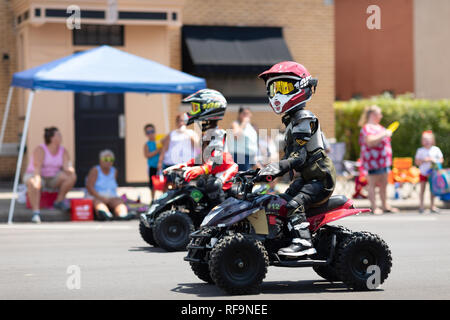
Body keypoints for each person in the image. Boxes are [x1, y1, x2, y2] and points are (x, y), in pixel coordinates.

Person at [257, 61, 336, 257]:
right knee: (277, 202)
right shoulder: (292, 120)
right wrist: (257, 172)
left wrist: (275, 167)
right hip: (306, 179)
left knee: (294, 205)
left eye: (283, 87)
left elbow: (298, 158)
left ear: (302, 87)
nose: (277, 94)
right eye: (274, 88)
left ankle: (303, 242)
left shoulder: (304, 118)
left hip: (320, 178)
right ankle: (280, 236)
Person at [163, 89, 238, 205]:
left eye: (195, 108)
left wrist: (202, 169)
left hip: (224, 172)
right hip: (213, 172)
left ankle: (220, 219)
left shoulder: (218, 134)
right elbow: (203, 157)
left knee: (213, 186)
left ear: (209, 108)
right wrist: (184, 165)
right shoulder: (208, 133)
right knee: (199, 185)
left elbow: (216, 158)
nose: (192, 112)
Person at [23, 127, 76, 223]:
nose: (61, 137)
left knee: (72, 177)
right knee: (34, 183)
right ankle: (36, 213)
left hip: (53, 177)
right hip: (37, 174)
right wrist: (37, 179)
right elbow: (37, 167)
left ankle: (59, 201)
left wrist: (70, 170)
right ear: (52, 138)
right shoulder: (41, 149)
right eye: (58, 135)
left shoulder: (63, 150)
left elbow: (66, 167)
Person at [358, 105, 399, 215]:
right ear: (372, 114)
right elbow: (370, 142)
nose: (381, 116)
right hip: (373, 162)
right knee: (372, 184)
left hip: (384, 162)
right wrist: (384, 134)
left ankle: (385, 205)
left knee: (384, 185)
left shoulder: (380, 127)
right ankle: (374, 207)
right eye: (379, 113)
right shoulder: (367, 128)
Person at [85, 149, 133, 221]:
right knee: (98, 202)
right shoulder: (95, 170)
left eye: (111, 159)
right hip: (97, 195)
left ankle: (122, 215)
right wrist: (101, 197)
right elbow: (89, 187)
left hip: (111, 196)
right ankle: (105, 214)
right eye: (106, 159)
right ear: (100, 160)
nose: (108, 161)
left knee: (119, 202)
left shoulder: (114, 171)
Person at [157, 114, 199, 189]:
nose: (181, 123)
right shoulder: (172, 134)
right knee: (170, 184)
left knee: (185, 185)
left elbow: (197, 146)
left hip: (186, 164)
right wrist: (160, 162)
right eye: (179, 121)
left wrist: (188, 134)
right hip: (172, 163)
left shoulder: (191, 133)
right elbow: (164, 148)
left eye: (182, 121)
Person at [415, 130, 444, 213]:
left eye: (428, 139)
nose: (427, 141)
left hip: (433, 173)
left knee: (432, 190)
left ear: (432, 140)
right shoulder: (420, 150)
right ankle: (421, 206)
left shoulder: (436, 149)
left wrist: (434, 160)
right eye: (425, 140)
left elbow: (441, 160)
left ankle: (432, 206)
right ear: (422, 141)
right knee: (422, 190)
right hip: (423, 172)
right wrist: (424, 160)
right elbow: (417, 162)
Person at [229, 107, 258, 171]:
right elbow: (236, 136)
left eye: (248, 113)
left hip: (250, 156)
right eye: (244, 113)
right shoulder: (236, 124)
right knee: (243, 177)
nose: (246, 116)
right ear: (239, 115)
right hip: (240, 155)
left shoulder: (250, 127)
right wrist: (244, 123)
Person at [143, 124, 161, 201]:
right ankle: (153, 199)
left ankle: (162, 198)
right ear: (146, 134)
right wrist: (156, 151)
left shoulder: (159, 141)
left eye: (152, 131)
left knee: (162, 183)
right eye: (148, 132)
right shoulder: (147, 144)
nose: (151, 133)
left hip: (160, 166)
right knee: (152, 184)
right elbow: (147, 155)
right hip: (152, 166)